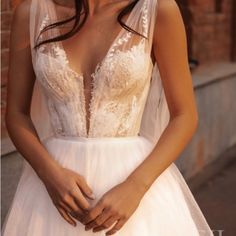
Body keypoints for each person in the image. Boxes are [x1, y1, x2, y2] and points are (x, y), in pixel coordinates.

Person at [2, 0, 213, 235]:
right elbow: (16, 114)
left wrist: (135, 187)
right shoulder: (31, 13)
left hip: (131, 184)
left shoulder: (157, 10)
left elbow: (185, 115)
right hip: (55, 187)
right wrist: (48, 174)